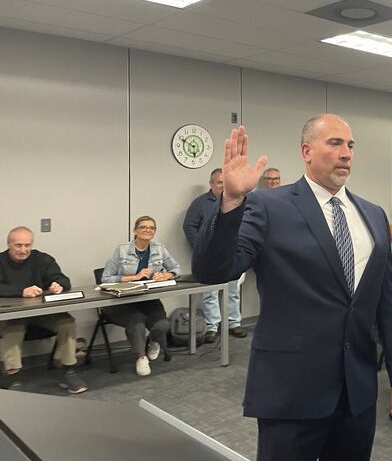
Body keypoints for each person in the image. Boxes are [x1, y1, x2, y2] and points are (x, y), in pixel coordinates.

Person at [191, 116, 392, 461]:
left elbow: (385, 298)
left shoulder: (373, 215)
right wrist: (231, 201)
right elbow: (214, 269)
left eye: (351, 146)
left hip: (356, 390)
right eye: (335, 143)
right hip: (291, 389)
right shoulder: (267, 205)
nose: (346, 154)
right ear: (307, 152)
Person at [0, 226, 87, 394]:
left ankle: (67, 369)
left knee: (66, 322)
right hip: (11, 316)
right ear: (9, 244)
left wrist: (58, 285)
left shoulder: (42, 259)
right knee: (14, 329)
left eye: (27, 245)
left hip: (40, 314)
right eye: (18, 245)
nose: (24, 250)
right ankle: (12, 377)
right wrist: (21, 292)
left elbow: (63, 279)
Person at [100, 215, 181, 377]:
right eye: (143, 227)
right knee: (136, 322)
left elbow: (177, 269)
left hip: (148, 300)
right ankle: (141, 357)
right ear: (135, 230)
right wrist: (134, 277)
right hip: (123, 302)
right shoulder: (121, 250)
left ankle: (152, 342)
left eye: (151, 228)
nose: (147, 230)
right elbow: (105, 278)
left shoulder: (159, 249)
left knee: (162, 325)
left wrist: (168, 275)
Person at [183, 167, 247, 342]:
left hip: (232, 257)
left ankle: (234, 323)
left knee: (233, 292)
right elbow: (189, 226)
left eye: (225, 183)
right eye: (220, 182)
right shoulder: (200, 203)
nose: (223, 186)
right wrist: (202, 248)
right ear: (211, 183)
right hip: (209, 260)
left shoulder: (237, 201)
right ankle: (212, 327)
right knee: (210, 293)